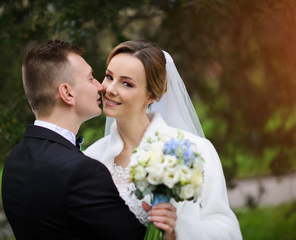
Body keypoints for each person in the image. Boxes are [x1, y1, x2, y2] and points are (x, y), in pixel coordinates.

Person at [84, 40, 243, 239]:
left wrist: (178, 229)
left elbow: (228, 232)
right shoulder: (90, 157)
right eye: (109, 77)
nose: (110, 89)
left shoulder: (195, 150)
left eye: (127, 83)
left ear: (151, 95)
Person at [1, 40, 146, 239]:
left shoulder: (14, 160)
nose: (100, 87)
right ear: (67, 93)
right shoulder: (83, 172)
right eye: (90, 78)